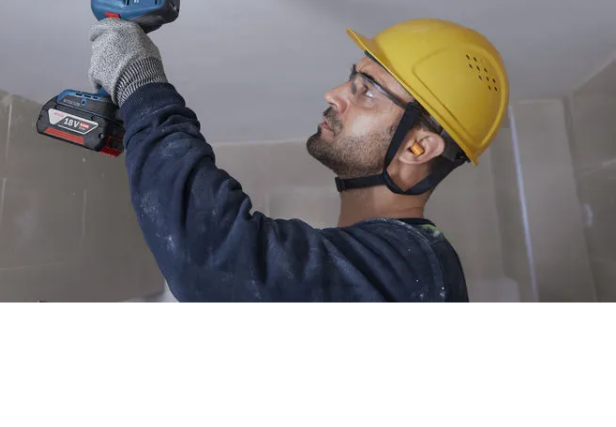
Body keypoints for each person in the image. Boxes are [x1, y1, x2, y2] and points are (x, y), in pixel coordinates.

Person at [89, 17, 509, 302]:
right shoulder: (396, 269)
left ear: (417, 148)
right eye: (351, 80)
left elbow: (213, 252)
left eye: (367, 90)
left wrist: (139, 84)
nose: (334, 94)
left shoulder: (411, 264)